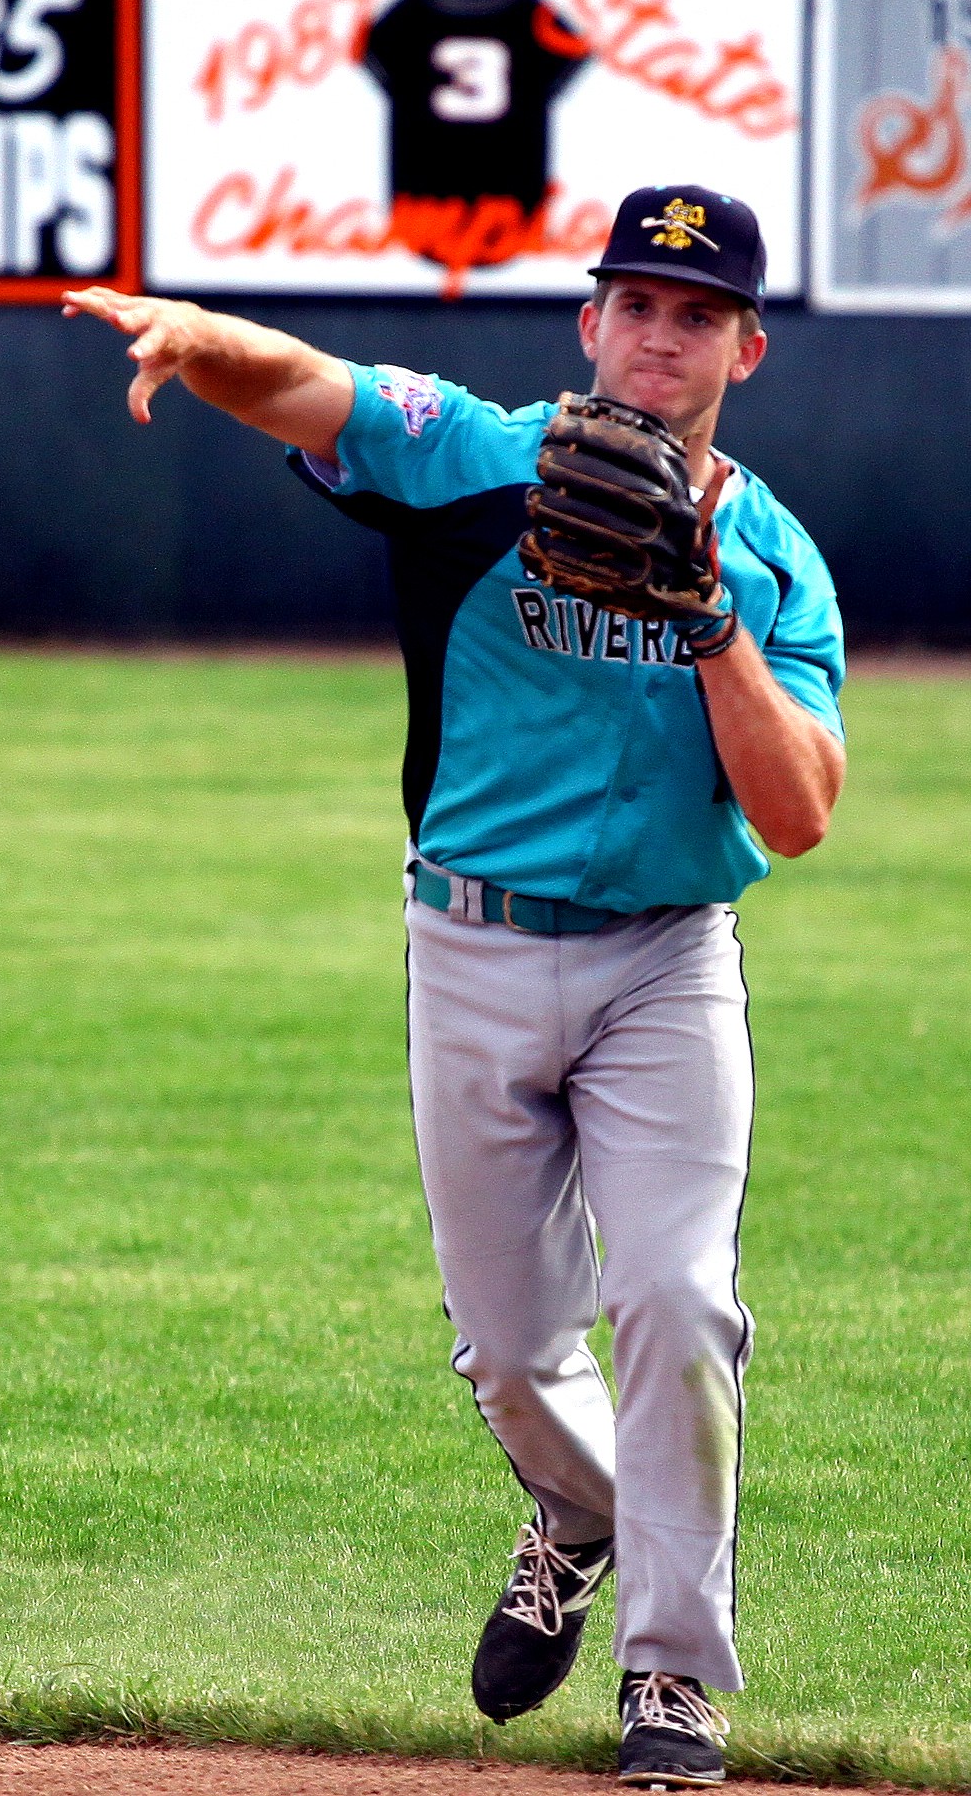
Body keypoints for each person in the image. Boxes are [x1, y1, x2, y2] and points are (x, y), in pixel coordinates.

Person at [62, 181, 845, 1788]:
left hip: (665, 967)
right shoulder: (485, 459)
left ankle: (676, 1679)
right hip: (472, 948)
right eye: (634, 299)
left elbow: (801, 810)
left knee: (678, 1301)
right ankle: (580, 1509)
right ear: (588, 322)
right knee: (504, 1349)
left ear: (745, 350)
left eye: (696, 313)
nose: (658, 331)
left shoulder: (773, 562)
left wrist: (707, 625)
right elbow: (311, 389)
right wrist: (198, 334)